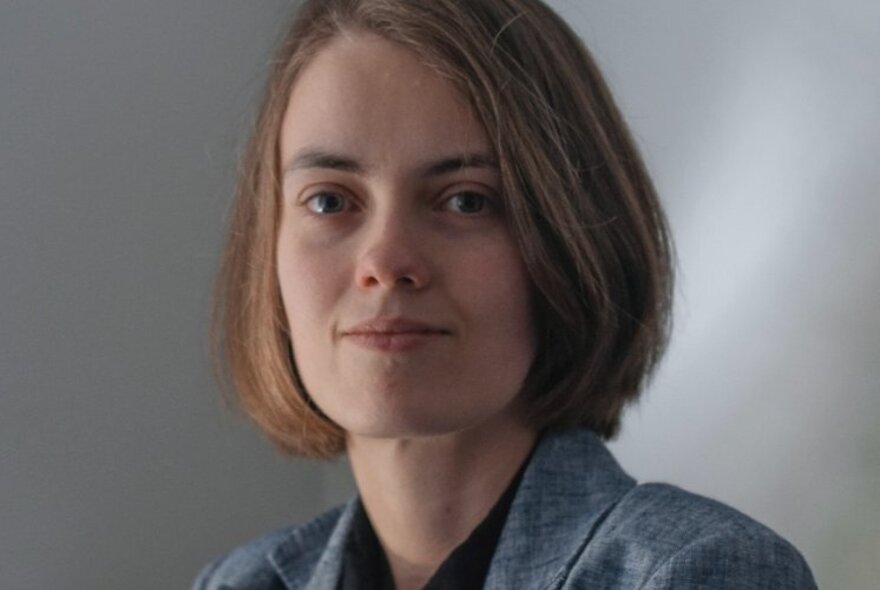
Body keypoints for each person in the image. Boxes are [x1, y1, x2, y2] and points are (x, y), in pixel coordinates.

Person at [193, 0, 817, 588]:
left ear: (572, 239)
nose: (384, 262)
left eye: (467, 200)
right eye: (329, 201)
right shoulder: (240, 583)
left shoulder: (698, 573)